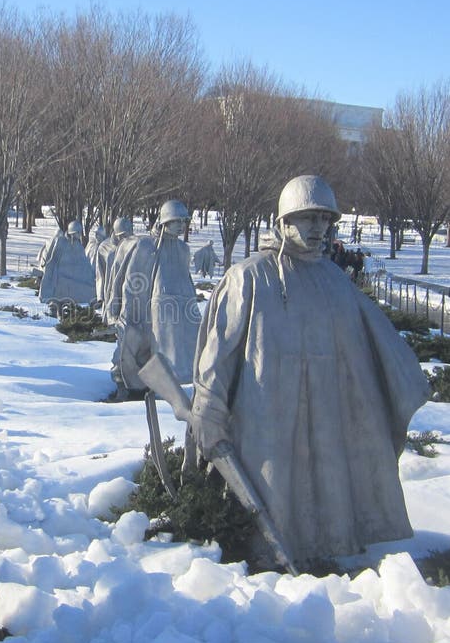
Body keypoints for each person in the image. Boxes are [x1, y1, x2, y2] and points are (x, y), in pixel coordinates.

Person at [185, 175, 429, 568]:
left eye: (325, 219)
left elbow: (371, 345)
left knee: (327, 491)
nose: (319, 228)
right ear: (284, 220)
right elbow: (219, 355)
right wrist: (208, 410)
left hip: (328, 411)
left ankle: (331, 552)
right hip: (266, 416)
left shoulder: (334, 280)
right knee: (273, 493)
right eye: (308, 218)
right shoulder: (250, 276)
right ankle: (266, 562)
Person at [107, 199, 201, 398]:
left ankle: (162, 386)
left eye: (183, 221)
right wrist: (129, 309)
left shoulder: (183, 249)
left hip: (177, 312)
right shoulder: (145, 246)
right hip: (148, 308)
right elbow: (132, 281)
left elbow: (186, 279)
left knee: (178, 352)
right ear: (165, 221)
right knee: (136, 346)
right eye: (176, 221)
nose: (181, 226)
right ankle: (128, 385)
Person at [38, 220, 96, 314]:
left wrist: (90, 277)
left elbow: (83, 264)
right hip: (61, 278)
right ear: (72, 232)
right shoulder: (61, 242)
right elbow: (53, 260)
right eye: (78, 233)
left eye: (80, 233)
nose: (80, 235)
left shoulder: (78, 245)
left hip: (74, 279)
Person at [95, 218, 133, 318]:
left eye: (129, 234)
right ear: (117, 233)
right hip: (110, 289)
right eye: (124, 235)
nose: (127, 238)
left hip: (129, 290)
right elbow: (100, 274)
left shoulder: (133, 246)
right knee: (111, 316)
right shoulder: (104, 248)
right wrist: (100, 296)